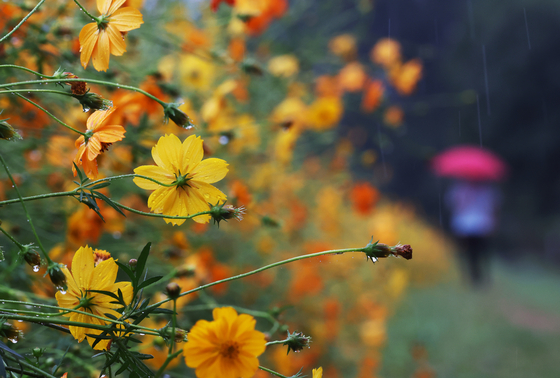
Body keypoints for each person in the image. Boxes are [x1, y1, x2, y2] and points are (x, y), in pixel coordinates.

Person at [445, 179, 501, 286]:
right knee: (469, 253)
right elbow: (453, 204)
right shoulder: (460, 190)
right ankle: (472, 277)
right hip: (465, 226)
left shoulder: (487, 191)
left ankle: (480, 277)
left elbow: (493, 207)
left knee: (480, 253)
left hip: (481, 226)